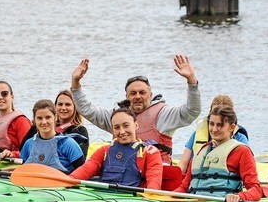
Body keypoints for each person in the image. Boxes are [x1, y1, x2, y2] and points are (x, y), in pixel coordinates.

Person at [71, 55, 201, 166]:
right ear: (127, 97)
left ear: (150, 95)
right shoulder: (117, 116)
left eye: (142, 92)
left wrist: (191, 81)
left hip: (155, 173)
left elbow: (192, 111)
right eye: (133, 93)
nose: (138, 96)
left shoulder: (164, 114)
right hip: (123, 173)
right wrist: (76, 83)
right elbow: (87, 109)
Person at [174, 105, 261, 202]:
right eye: (211, 124)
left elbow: (256, 190)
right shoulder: (201, 151)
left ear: (232, 127)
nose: (214, 129)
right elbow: (184, 187)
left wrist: (239, 197)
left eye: (220, 125)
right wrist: (167, 196)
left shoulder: (242, 151)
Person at [70, 108, 163, 190]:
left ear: (136, 125)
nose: (122, 132)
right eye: (117, 127)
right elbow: (85, 170)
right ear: (113, 130)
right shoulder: (104, 151)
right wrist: (69, 181)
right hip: (103, 196)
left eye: (126, 125)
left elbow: (154, 182)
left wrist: (150, 197)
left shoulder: (150, 152)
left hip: (132, 200)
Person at [179, 94, 250, 174]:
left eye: (223, 114)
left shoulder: (240, 139)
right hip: (198, 181)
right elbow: (183, 164)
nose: (215, 129)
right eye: (215, 112)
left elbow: (248, 167)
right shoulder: (197, 135)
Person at [20, 99, 85, 174]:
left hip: (62, 184)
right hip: (34, 184)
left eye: (48, 117)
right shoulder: (28, 144)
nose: (44, 122)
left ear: (55, 117)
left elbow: (82, 173)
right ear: (34, 120)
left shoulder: (69, 144)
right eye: (39, 118)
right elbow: (24, 170)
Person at [20, 90, 90, 157]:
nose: (63, 108)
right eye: (60, 104)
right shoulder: (43, 126)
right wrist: (35, 125)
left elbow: (81, 159)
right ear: (55, 107)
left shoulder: (80, 131)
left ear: (75, 107)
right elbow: (23, 149)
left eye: (67, 104)